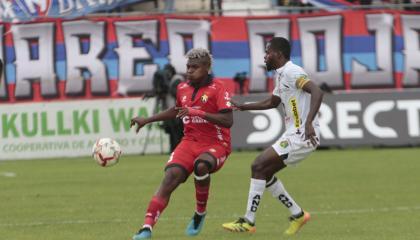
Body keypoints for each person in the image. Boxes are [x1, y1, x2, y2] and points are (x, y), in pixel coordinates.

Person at [222, 37, 323, 235]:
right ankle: (298, 214)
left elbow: (317, 91)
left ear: (278, 54)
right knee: (264, 172)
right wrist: (244, 106)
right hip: (294, 133)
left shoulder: (293, 71)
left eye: (267, 52)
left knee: (257, 165)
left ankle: (248, 221)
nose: (265, 56)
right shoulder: (282, 75)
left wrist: (309, 122)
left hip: (301, 135)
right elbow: (272, 102)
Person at [130, 48, 233, 239]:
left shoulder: (219, 88)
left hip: (216, 143)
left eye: (195, 67)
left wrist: (199, 113)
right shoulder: (182, 88)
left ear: (207, 68)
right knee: (170, 178)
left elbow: (228, 121)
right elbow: (176, 110)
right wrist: (147, 119)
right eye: (188, 67)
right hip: (189, 142)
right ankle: (146, 228)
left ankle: (200, 213)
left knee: (201, 166)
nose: (190, 71)